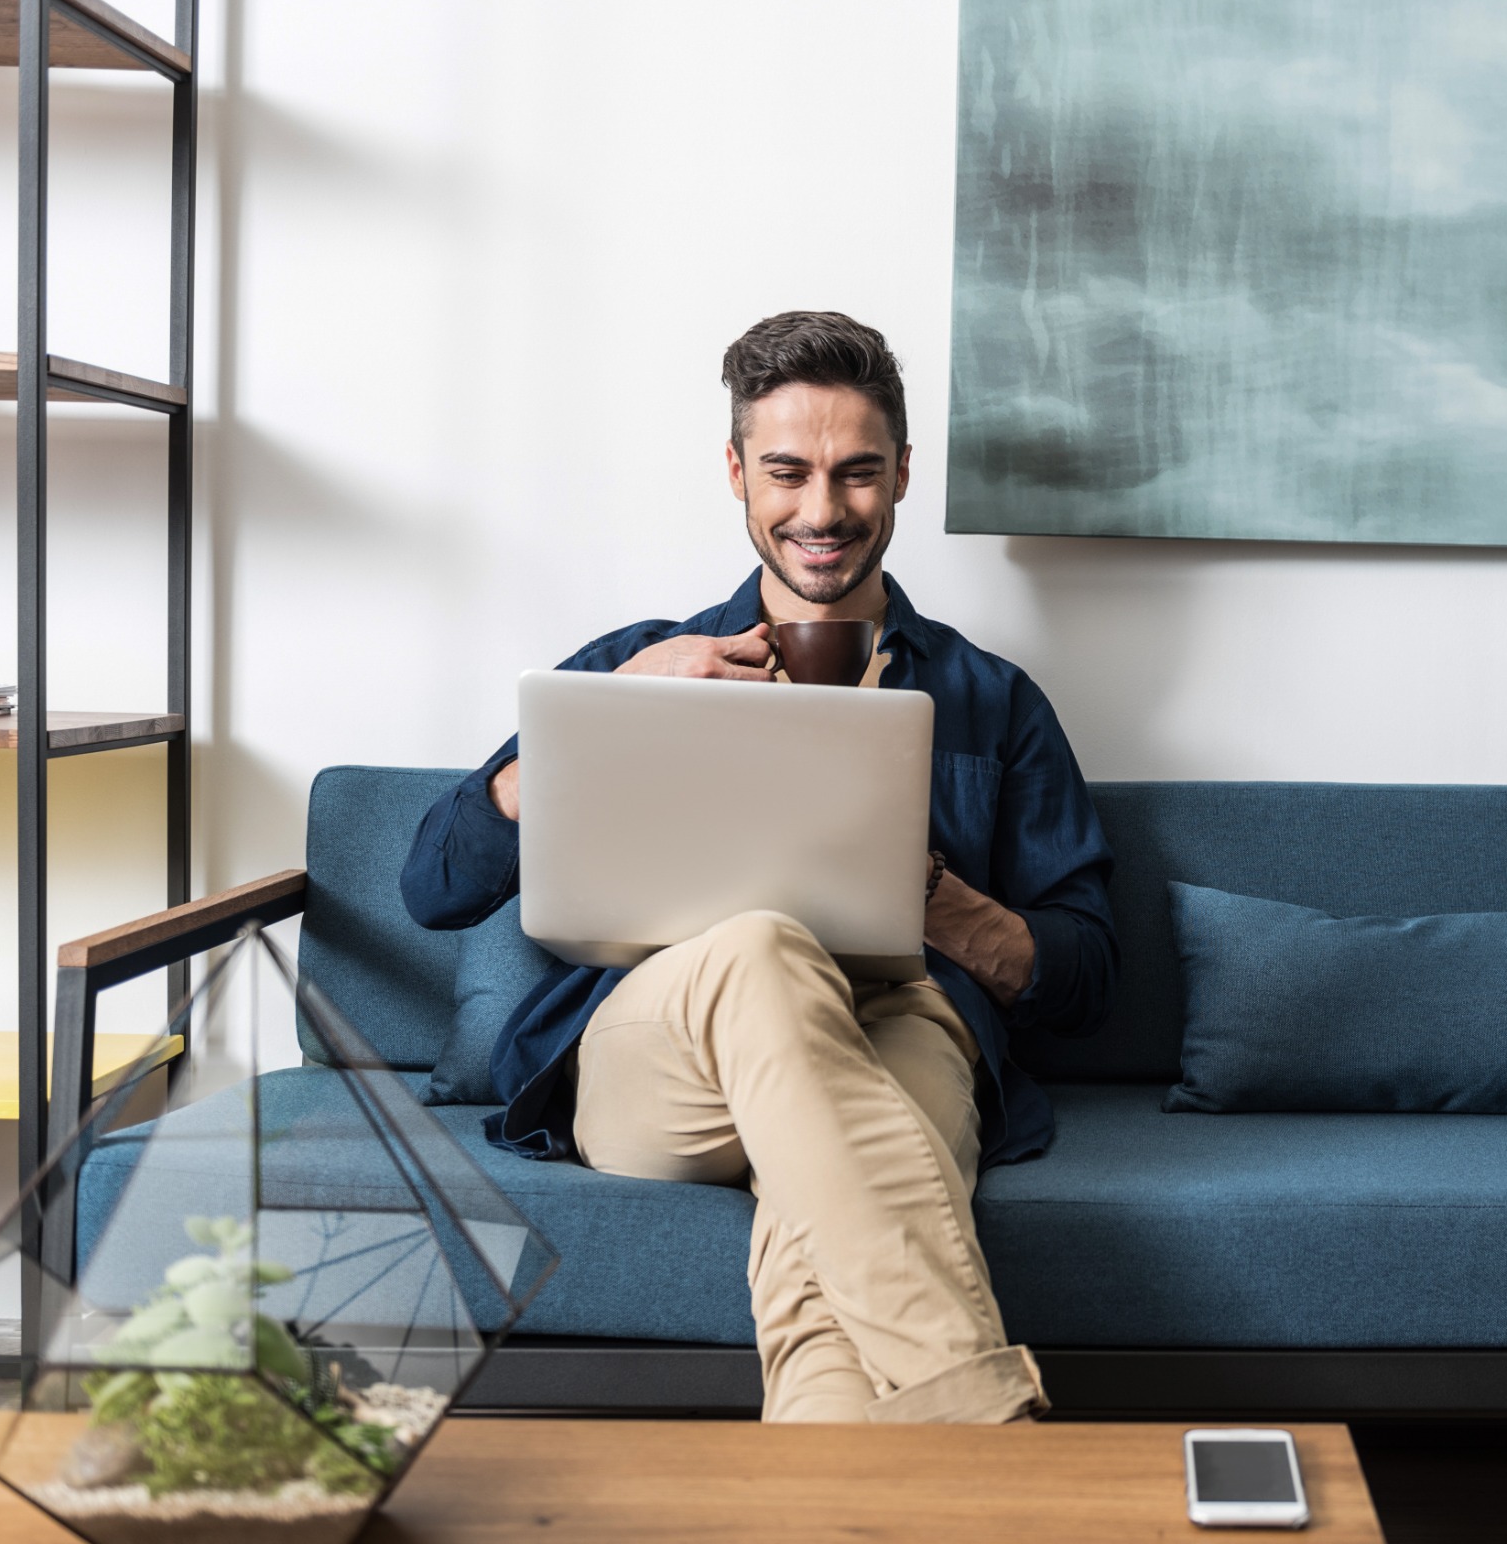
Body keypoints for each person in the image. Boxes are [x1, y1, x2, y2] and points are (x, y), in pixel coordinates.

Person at [401, 311, 1116, 1425]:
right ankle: (987, 1417)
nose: (822, 511)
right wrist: (633, 702)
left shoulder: (994, 700)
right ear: (737, 471)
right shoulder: (636, 663)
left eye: (856, 473)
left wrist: (933, 898)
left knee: (834, 1207)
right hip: (663, 1053)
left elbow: (1087, 972)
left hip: (900, 1020)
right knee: (760, 943)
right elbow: (433, 884)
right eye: (787, 471)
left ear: (903, 476)